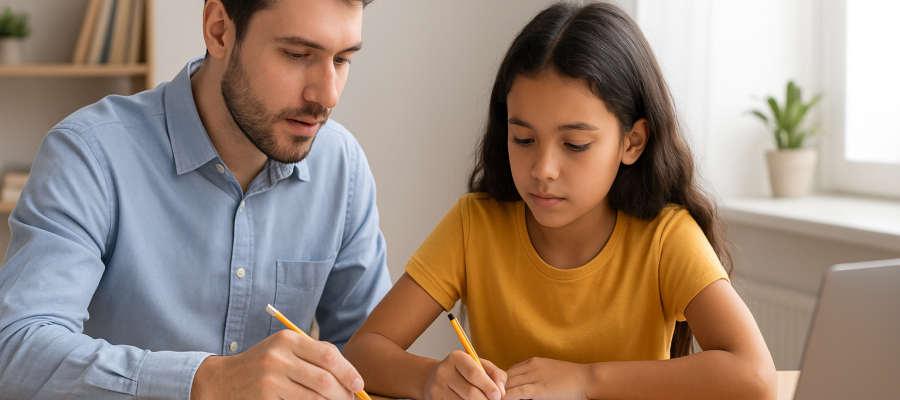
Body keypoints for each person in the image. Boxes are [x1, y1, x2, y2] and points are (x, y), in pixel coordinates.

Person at [342, 2, 777, 400]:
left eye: (574, 144)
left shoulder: (665, 238)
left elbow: (755, 377)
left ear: (633, 142)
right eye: (523, 138)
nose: (543, 169)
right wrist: (431, 377)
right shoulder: (474, 225)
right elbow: (363, 351)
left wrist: (586, 379)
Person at [0, 0, 391, 398]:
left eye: (342, 60)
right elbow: (16, 351)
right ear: (219, 30)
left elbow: (368, 357)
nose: (327, 95)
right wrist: (206, 381)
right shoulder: (90, 153)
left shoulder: (342, 166)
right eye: (296, 55)